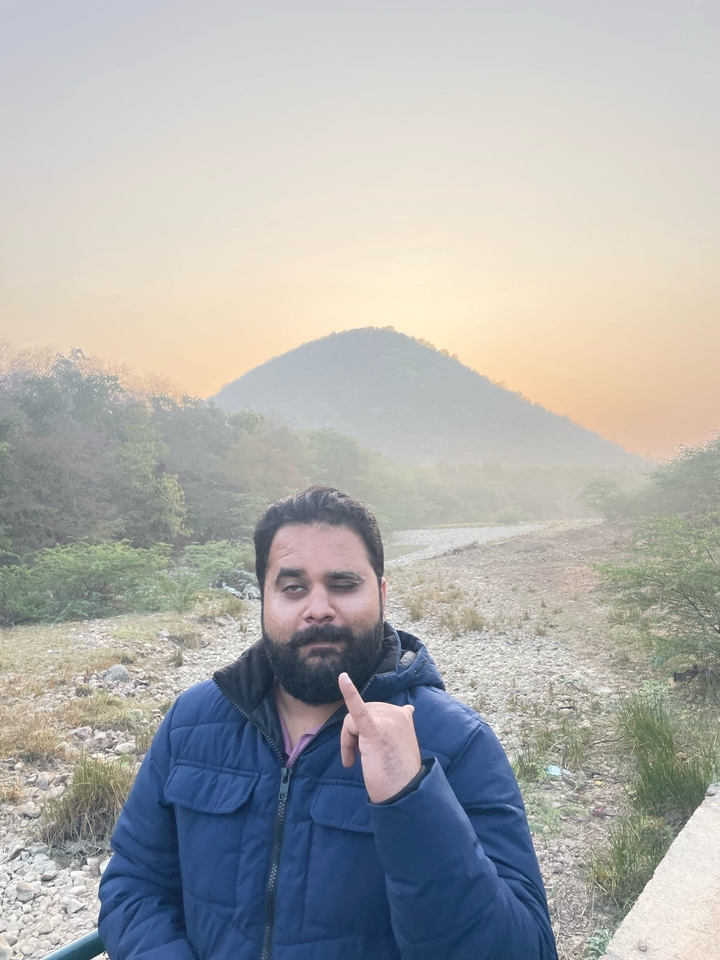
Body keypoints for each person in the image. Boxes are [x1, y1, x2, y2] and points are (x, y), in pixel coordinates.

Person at [98, 487, 558, 960]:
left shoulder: (457, 743)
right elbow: (135, 885)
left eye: (342, 584)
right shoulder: (190, 723)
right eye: (293, 587)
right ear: (263, 600)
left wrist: (413, 798)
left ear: (380, 595)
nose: (318, 607)